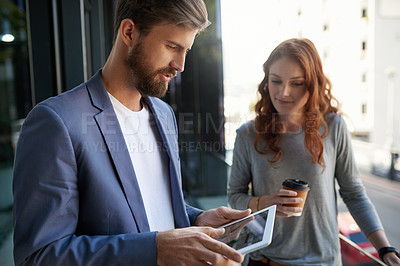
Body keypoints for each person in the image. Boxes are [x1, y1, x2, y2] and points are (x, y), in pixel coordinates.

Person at [12, 0, 251, 265]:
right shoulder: (57, 122)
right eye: (172, 46)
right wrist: (155, 249)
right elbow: (39, 256)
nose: (181, 64)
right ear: (129, 32)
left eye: (186, 50)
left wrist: (196, 219)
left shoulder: (163, 115)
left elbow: (146, 206)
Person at [227, 38, 400, 266]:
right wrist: (265, 202)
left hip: (324, 261)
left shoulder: (333, 126)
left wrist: (385, 249)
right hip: (267, 261)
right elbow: (234, 197)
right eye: (276, 81)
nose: (284, 92)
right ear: (266, 82)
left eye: (296, 83)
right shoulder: (249, 134)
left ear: (312, 83)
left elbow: (354, 194)